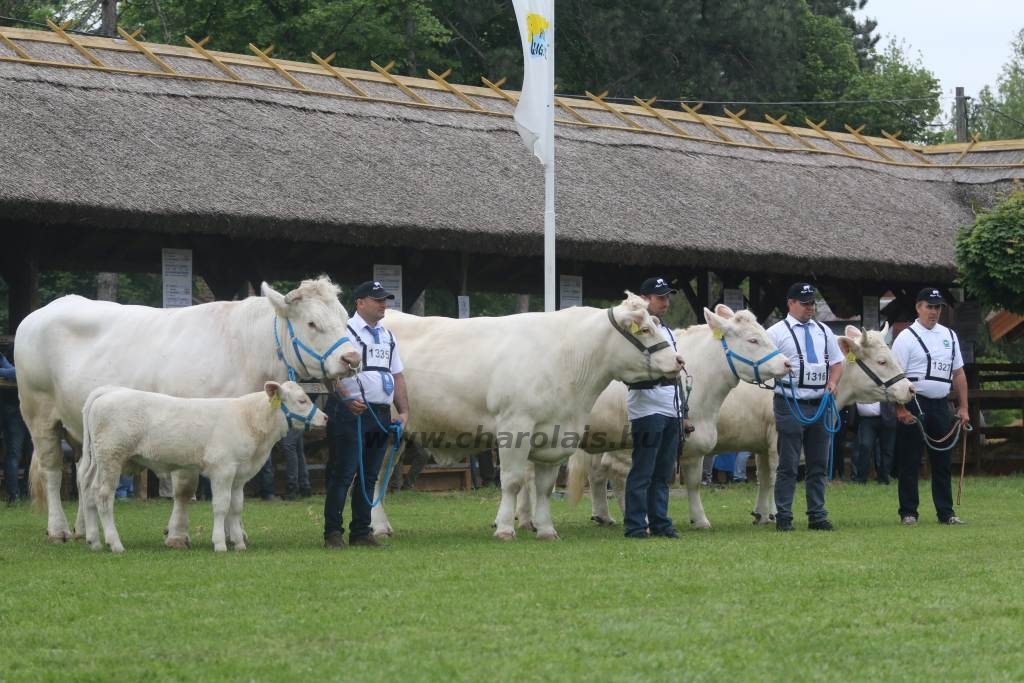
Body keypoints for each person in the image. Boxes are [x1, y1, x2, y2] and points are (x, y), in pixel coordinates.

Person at [323, 281, 410, 548]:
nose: (383, 304)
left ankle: (361, 531)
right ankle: (332, 533)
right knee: (344, 472)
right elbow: (327, 373)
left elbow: (397, 374)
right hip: (350, 412)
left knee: (370, 474)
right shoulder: (342, 332)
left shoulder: (388, 336)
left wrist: (404, 410)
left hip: (380, 414)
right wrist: (345, 398)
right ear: (360, 302)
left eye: (385, 299)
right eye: (377, 300)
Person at [767, 282, 843, 532]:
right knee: (788, 463)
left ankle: (817, 515)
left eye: (812, 302)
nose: (810, 307)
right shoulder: (776, 333)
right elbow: (766, 365)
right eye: (805, 302)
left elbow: (837, 362)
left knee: (819, 463)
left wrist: (832, 382)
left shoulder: (823, 331)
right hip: (790, 402)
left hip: (820, 403)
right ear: (790, 303)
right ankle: (784, 516)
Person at [892, 287, 969, 526]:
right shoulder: (905, 337)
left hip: (940, 404)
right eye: (929, 306)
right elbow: (895, 376)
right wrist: (900, 408)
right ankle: (908, 512)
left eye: (937, 307)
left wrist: (964, 407)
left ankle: (946, 512)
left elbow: (958, 373)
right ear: (918, 307)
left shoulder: (949, 335)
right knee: (910, 460)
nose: (934, 312)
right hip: (914, 402)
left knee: (943, 460)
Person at [623, 276, 684, 539]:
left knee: (663, 472)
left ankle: (660, 521)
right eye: (660, 298)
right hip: (647, 407)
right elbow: (630, 370)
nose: (665, 302)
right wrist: (664, 375)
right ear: (644, 299)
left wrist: (684, 411)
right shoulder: (634, 332)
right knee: (643, 470)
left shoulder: (666, 332)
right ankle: (636, 524)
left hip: (671, 406)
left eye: (666, 297)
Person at [1, 351, 31, 505]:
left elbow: (14, 372)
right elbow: (13, 371)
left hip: (30, 413)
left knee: (31, 456)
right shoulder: (4, 357)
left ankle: (26, 493)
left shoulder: (29, 361)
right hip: (15, 413)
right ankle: (14, 496)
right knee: (14, 455)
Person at [855, 401, 897, 484]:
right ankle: (861, 478)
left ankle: (884, 478)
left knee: (887, 449)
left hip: (887, 416)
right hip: (866, 419)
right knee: (865, 446)